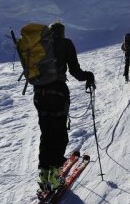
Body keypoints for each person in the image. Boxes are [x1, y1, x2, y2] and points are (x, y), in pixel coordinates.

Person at [34, 22, 95, 191]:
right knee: (59, 135)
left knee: (46, 134)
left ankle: (43, 175)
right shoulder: (66, 43)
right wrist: (88, 76)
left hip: (39, 95)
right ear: (62, 32)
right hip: (58, 94)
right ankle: (54, 177)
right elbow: (75, 71)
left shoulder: (40, 45)